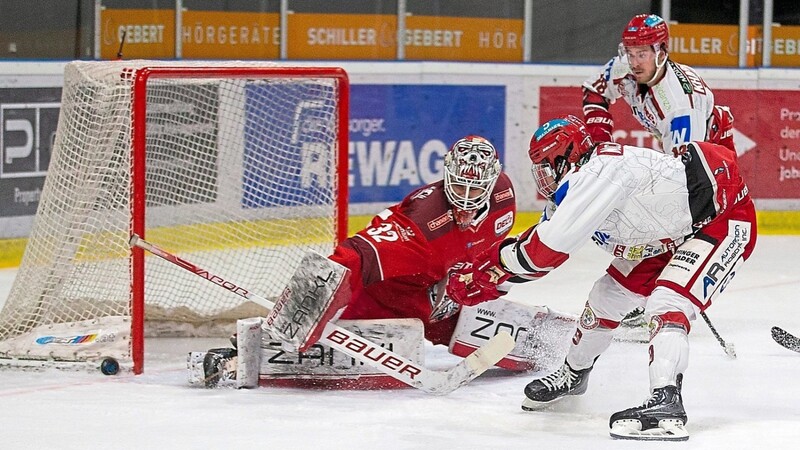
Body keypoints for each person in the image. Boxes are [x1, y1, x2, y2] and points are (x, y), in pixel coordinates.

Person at [445, 115, 756, 441]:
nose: (541, 175)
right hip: (672, 231)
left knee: (668, 301)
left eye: (544, 164)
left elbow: (547, 250)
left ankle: (667, 400)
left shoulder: (599, 173)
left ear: (564, 155)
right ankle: (574, 373)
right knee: (605, 296)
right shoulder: (579, 183)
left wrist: (486, 271)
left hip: (723, 218)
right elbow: (541, 245)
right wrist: (491, 281)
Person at [194, 135, 569, 389]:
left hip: (443, 296)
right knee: (315, 339)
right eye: (458, 187)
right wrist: (309, 298)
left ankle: (572, 342)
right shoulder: (422, 223)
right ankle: (240, 355)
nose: (467, 199)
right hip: (387, 298)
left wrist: (471, 282)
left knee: (531, 342)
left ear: (492, 181)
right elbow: (355, 256)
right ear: (445, 177)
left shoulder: (504, 194)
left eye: (476, 189)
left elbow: (489, 248)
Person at [582, 13, 735, 155]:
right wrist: (601, 144)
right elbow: (594, 90)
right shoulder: (625, 66)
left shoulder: (679, 105)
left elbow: (684, 173)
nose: (634, 63)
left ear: (661, 54)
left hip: (711, 159)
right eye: (630, 53)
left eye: (641, 54)